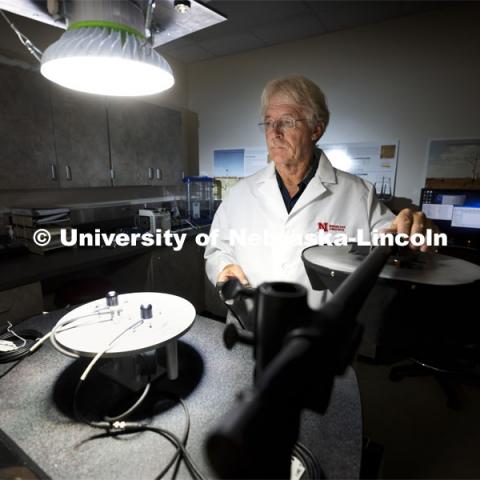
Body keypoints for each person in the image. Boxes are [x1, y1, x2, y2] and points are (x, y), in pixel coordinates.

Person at [205, 75, 431, 310]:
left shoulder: (358, 194)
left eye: (288, 121)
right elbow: (217, 248)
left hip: (318, 335)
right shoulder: (240, 193)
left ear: (316, 130)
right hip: (249, 326)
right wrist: (223, 267)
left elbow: (393, 241)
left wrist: (412, 232)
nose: (275, 133)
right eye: (269, 122)